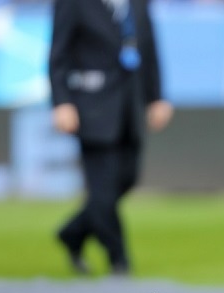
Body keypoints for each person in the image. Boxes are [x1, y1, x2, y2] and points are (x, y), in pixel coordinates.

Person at [49, 0, 173, 276]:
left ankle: (73, 232)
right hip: (91, 106)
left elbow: (149, 46)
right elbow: (59, 53)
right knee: (102, 190)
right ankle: (120, 260)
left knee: (127, 177)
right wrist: (61, 102)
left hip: (130, 105)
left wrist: (156, 96)